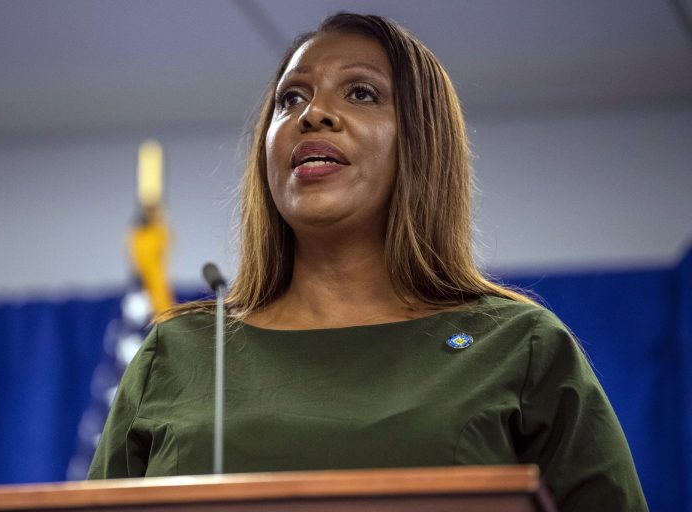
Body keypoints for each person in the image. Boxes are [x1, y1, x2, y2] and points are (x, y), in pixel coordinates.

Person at [88, 12, 648, 511]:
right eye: (291, 98)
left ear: (421, 144)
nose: (313, 115)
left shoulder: (519, 348)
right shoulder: (178, 354)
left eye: (360, 93)